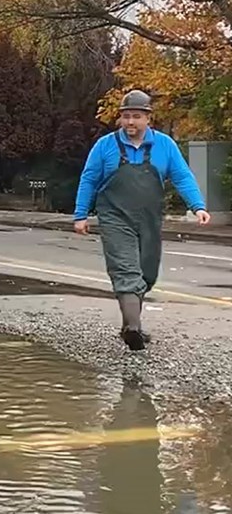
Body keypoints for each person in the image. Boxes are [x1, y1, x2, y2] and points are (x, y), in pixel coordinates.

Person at [73, 89, 210, 351]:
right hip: (114, 216)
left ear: (148, 118)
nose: (130, 122)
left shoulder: (165, 145)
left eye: (136, 116)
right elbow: (89, 179)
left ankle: (129, 326)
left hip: (149, 217)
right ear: (120, 119)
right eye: (125, 117)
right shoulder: (105, 146)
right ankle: (134, 330)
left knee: (146, 273)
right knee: (126, 270)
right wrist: (81, 214)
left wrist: (197, 206)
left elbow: (182, 176)